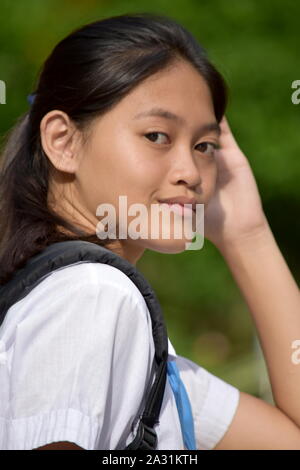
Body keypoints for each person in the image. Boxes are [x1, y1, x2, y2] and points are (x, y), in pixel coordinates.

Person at [0, 12, 300, 451]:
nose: (191, 172)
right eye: (157, 135)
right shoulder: (95, 293)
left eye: (204, 146)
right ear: (63, 141)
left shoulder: (125, 337)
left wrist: (247, 234)